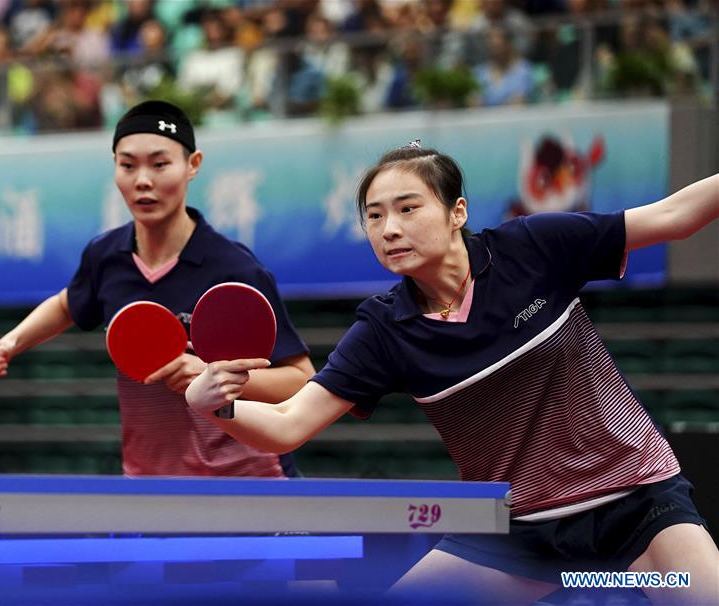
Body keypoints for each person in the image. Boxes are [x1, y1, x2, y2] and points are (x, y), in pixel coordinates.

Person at [185, 142, 719, 605]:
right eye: (373, 216)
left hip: (637, 502)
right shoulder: (384, 330)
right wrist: (215, 405)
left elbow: (675, 216)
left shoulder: (532, 249)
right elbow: (286, 422)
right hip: (518, 533)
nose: (389, 229)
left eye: (408, 208)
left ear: (456, 211)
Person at [0, 100, 314, 478]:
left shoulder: (235, 267)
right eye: (127, 165)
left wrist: (212, 376)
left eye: (159, 164)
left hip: (244, 481)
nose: (142, 180)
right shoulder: (106, 256)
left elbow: (300, 379)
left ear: (193, 165)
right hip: (149, 481)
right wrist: (10, 343)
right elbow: (68, 305)